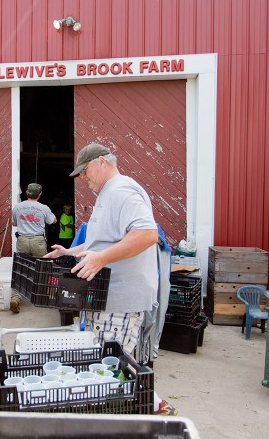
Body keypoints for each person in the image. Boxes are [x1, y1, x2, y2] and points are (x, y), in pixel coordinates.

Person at [44, 142, 177, 415]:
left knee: (111, 361)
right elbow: (100, 241)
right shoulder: (106, 195)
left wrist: (102, 259)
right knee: (110, 357)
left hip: (123, 297)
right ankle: (153, 404)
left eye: (85, 170)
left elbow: (147, 234)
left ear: (102, 162)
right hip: (105, 295)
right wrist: (70, 250)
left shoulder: (123, 191)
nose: (83, 178)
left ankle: (147, 407)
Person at [10, 182, 56, 313]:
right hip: (38, 241)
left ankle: (15, 298)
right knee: (44, 268)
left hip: (23, 240)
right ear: (40, 194)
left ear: (27, 192)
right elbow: (52, 221)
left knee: (21, 269)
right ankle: (48, 296)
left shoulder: (18, 207)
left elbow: (14, 223)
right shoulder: (44, 208)